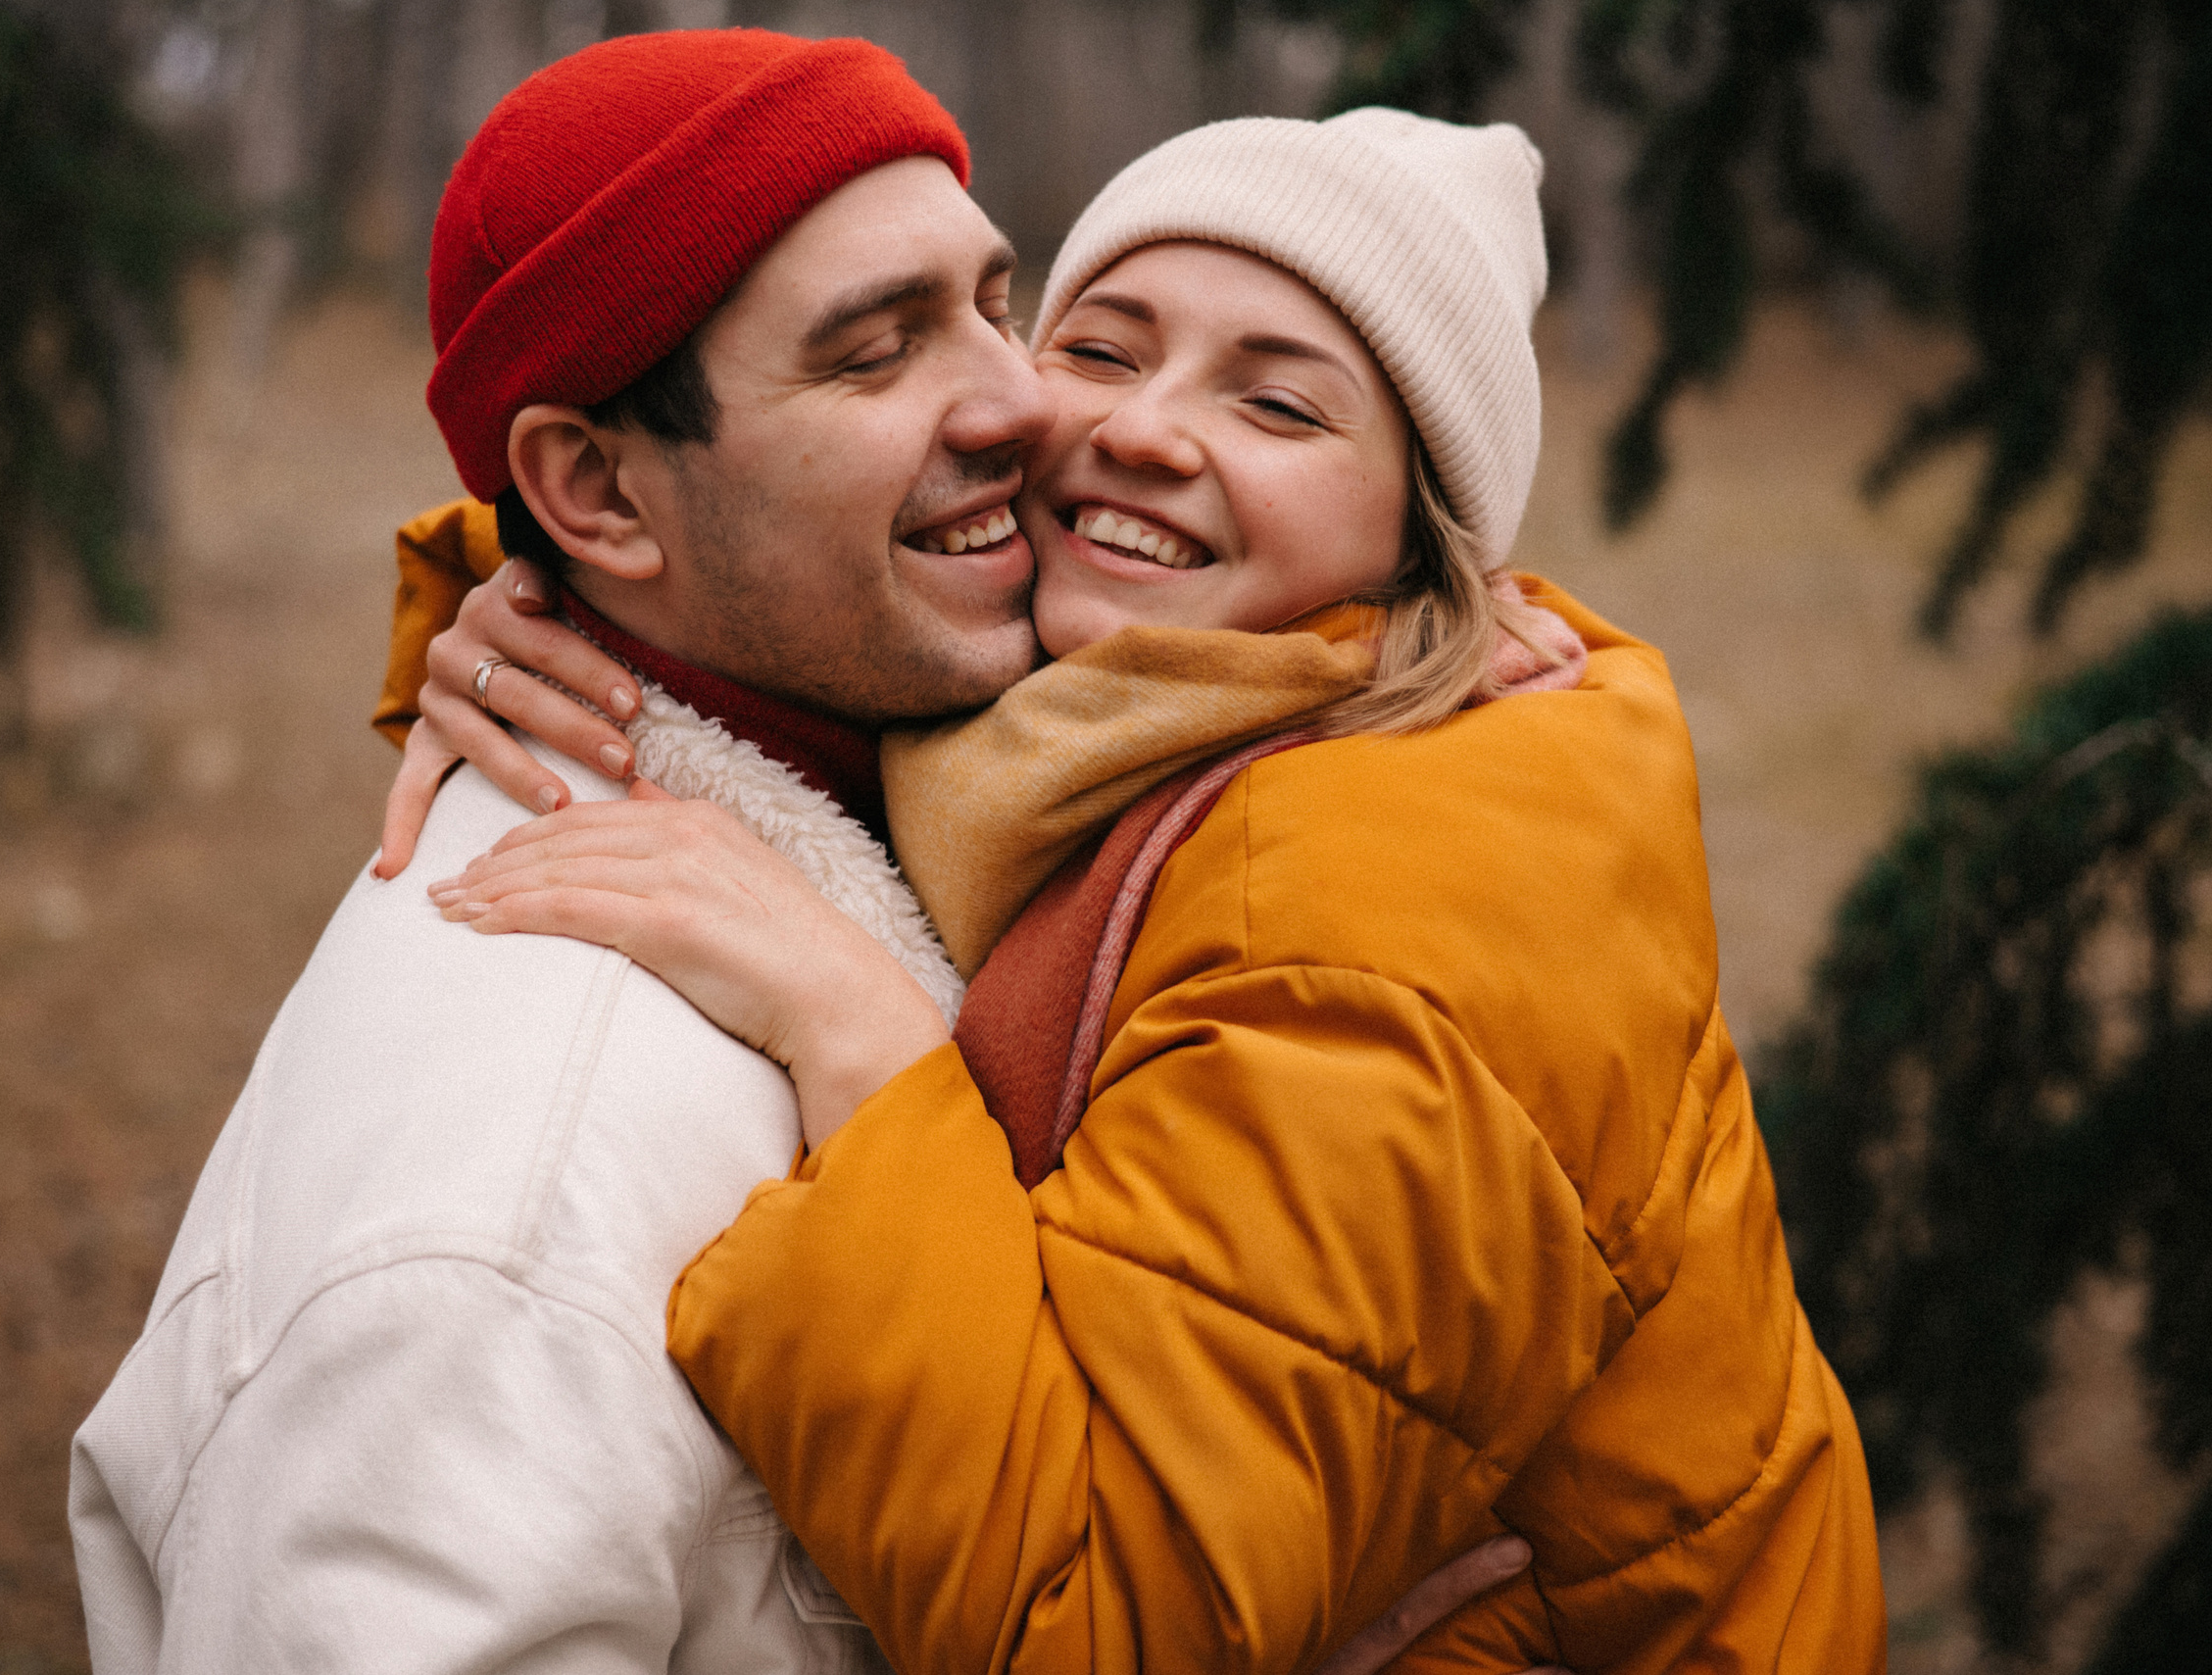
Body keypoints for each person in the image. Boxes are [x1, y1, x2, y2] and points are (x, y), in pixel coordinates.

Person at [70, 29, 1531, 1675]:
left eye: (994, 300)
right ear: (598, 494)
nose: (1025, 399)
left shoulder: (990, 770)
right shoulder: (503, 1221)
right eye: (871, 352)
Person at [387, 110, 1889, 1672]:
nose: (1149, 433)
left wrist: (853, 1023)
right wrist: (515, 611)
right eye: (1101, 349)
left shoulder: (1401, 879)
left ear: (1418, 535)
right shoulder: (1115, 717)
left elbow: (1099, 1630)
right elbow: (766, 573)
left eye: (1282, 404)